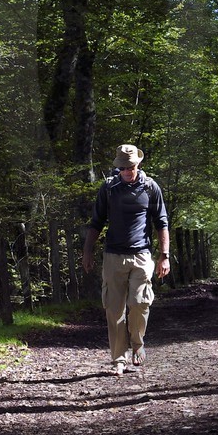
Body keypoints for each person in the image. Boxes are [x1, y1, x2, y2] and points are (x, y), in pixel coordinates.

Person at [83, 144, 171, 374]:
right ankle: (118, 360)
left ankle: (138, 345)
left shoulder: (151, 188)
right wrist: (87, 252)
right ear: (118, 168)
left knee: (139, 304)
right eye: (123, 167)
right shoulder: (109, 189)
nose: (127, 171)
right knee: (114, 309)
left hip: (142, 255)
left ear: (138, 164)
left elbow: (162, 222)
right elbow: (96, 222)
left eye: (130, 167)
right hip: (113, 255)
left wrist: (165, 256)